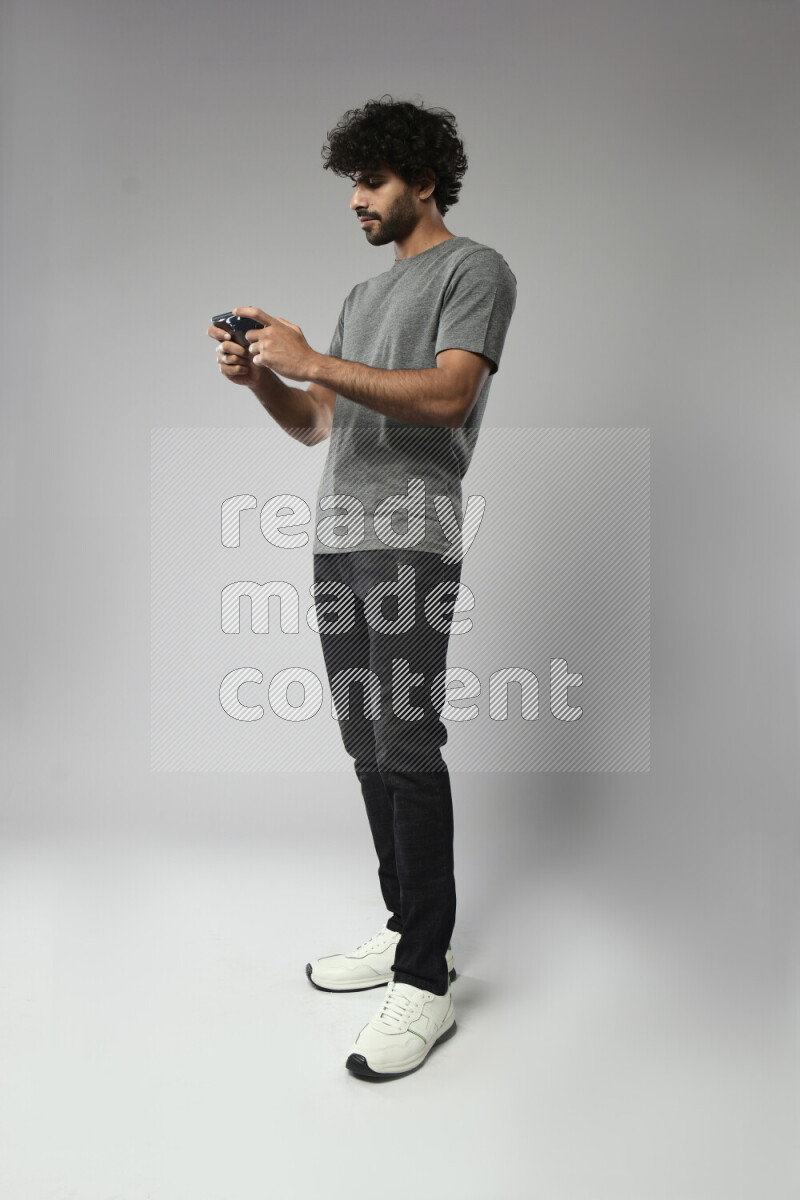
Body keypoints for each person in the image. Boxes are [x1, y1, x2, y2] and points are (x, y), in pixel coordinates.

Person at [207, 95, 517, 1079]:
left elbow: (449, 393)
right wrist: (263, 377)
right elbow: (315, 427)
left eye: (372, 180)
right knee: (363, 739)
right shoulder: (354, 298)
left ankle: (424, 983)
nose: (356, 200)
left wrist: (313, 358)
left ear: (422, 180)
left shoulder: (474, 270)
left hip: (409, 540)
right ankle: (401, 929)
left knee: (404, 735)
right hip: (337, 537)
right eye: (351, 182)